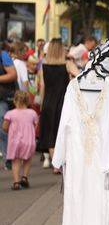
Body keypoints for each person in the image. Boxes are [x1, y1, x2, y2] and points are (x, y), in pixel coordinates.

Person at [38, 39, 71, 172]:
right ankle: (62, 163)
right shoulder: (67, 65)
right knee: (62, 133)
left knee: (50, 134)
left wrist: (41, 103)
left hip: (48, 102)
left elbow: (43, 87)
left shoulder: (43, 66)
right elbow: (80, 77)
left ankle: (55, 164)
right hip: (63, 103)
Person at [3, 90, 38, 190]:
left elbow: (5, 126)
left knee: (15, 161)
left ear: (14, 101)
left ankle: (16, 182)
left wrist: (9, 132)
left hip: (15, 141)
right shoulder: (32, 113)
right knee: (27, 159)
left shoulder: (10, 114)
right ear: (28, 101)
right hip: (28, 141)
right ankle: (24, 177)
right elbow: (36, 126)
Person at [0, 40, 18, 168]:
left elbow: (13, 74)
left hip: (2, 97)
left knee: (3, 125)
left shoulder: (3, 55)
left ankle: (8, 157)